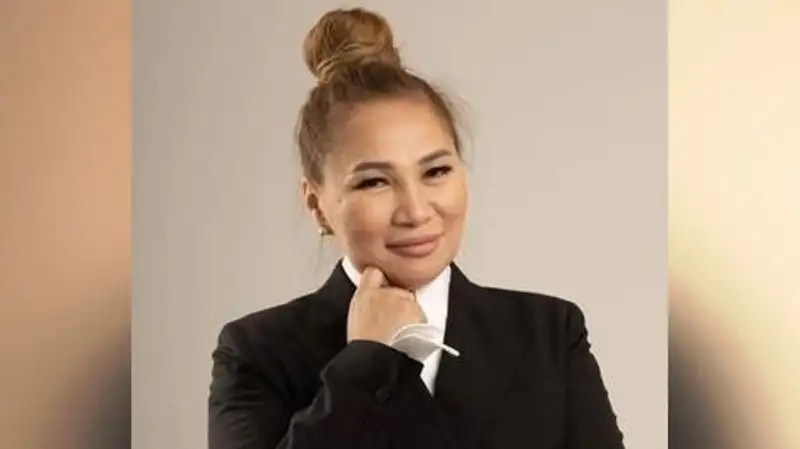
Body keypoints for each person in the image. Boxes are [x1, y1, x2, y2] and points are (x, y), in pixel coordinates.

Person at [208, 7, 624, 449]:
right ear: (317, 204)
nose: (416, 211)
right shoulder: (257, 352)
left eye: (436, 172)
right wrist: (366, 360)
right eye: (374, 181)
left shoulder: (548, 334)